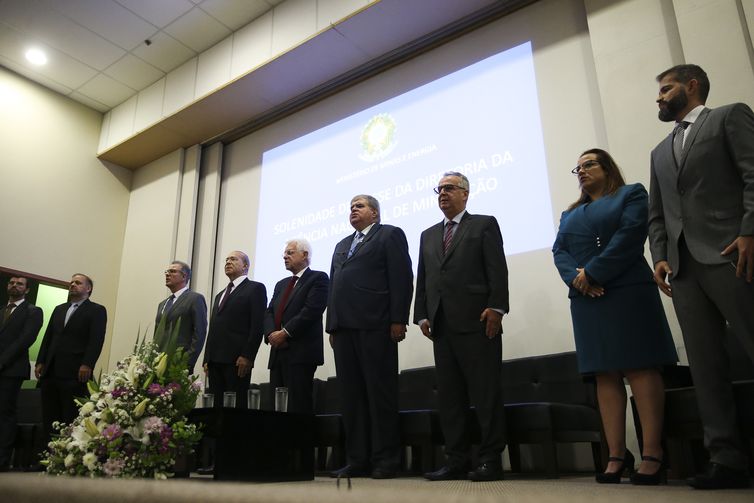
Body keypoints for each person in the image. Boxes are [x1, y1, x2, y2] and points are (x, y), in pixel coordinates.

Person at [648, 64, 754, 490]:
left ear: (691, 86)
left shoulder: (729, 116)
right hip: (683, 269)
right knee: (705, 368)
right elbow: (658, 213)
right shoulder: (659, 151)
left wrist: (749, 229)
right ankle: (725, 459)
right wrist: (660, 255)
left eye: (666, 89)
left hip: (732, 254)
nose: (658, 98)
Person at [553, 149, 678, 485]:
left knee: (640, 367)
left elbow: (630, 235)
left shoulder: (631, 193)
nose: (581, 171)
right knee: (604, 375)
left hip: (627, 289)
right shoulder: (569, 214)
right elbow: (559, 250)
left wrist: (593, 272)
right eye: (577, 167)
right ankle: (617, 456)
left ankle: (653, 454)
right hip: (586, 298)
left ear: (607, 168)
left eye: (589, 164)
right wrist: (579, 280)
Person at [414, 171, 509, 482]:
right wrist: (422, 314)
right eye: (439, 189)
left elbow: (497, 267)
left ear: (465, 194)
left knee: (485, 394)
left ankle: (490, 459)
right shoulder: (428, 235)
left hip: (478, 322)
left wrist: (496, 307)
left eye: (450, 188)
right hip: (442, 326)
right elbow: (424, 278)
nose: (442, 193)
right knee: (451, 399)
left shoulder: (483, 224)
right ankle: (455, 460)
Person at [326, 195, 413, 479]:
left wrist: (398, 318)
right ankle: (358, 459)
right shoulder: (341, 245)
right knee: (352, 398)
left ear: (374, 213)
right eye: (350, 206)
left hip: (376, 325)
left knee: (380, 394)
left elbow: (401, 277)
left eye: (359, 205)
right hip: (344, 329)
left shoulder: (388, 234)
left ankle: (386, 459)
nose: (353, 209)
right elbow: (333, 287)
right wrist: (332, 326)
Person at [36, 274, 107, 443]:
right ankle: (48, 455)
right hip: (51, 371)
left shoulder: (96, 310)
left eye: (78, 283)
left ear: (88, 289)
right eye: (72, 282)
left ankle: (66, 454)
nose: (73, 285)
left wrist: (87, 364)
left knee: (69, 415)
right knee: (49, 415)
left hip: (74, 372)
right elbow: (48, 337)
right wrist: (41, 361)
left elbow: (96, 340)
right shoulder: (59, 308)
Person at [263, 239, 329, 415]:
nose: (285, 256)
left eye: (290, 253)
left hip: (301, 352)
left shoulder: (318, 278)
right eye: (284, 254)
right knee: (276, 407)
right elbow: (269, 312)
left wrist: (285, 333)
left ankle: (300, 443)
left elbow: (312, 310)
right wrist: (271, 334)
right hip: (278, 352)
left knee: (298, 405)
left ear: (305, 255)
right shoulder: (281, 284)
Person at [203, 251, 267, 409]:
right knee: (216, 408)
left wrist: (248, 356)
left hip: (237, 361)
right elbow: (214, 328)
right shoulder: (220, 295)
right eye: (226, 260)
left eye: (233, 259)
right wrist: (207, 358)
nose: (228, 262)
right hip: (215, 361)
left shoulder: (255, 288)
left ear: (245, 266)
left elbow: (257, 325)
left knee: (235, 408)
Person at [0, 276, 43, 471]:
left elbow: (26, 339)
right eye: (11, 282)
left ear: (26, 290)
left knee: (5, 413)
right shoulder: (1, 310)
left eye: (19, 284)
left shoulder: (33, 311)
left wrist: (2, 361)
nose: (14, 285)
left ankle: (2, 460)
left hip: (11, 370)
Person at [154, 260, 207, 373]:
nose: (167, 274)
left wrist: (187, 362)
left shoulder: (195, 299)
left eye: (172, 271)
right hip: (158, 363)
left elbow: (200, 332)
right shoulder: (162, 304)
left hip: (179, 364)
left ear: (184, 276)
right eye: (167, 272)